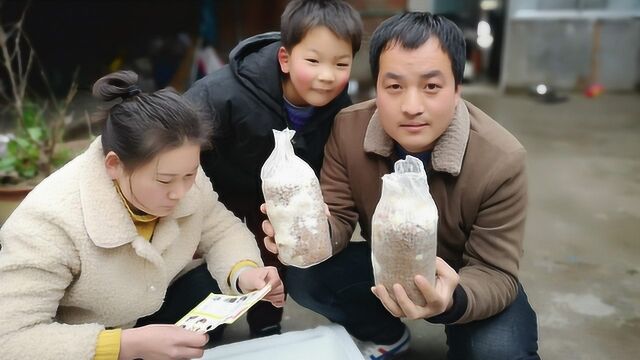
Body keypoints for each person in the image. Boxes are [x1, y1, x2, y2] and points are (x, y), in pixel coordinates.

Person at [262, 12, 540, 360]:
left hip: (467, 276)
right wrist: (308, 230)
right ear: (375, 87)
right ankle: (386, 336)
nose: (411, 107)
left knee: (499, 353)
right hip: (387, 261)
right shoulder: (348, 129)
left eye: (431, 86)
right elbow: (340, 217)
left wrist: (452, 301)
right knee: (306, 275)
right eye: (394, 86)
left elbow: (496, 270)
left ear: (457, 90)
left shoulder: (501, 159)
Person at [0, 70, 285, 360]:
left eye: (190, 173)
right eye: (164, 181)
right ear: (114, 165)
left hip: (150, 305)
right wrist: (124, 345)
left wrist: (245, 272)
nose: (180, 192)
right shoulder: (49, 221)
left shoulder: (184, 177)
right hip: (84, 339)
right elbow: (10, 338)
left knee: (209, 290)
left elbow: (221, 229)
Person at [184, 0, 362, 338]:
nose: (327, 75)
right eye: (313, 61)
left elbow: (336, 163)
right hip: (219, 193)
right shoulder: (220, 95)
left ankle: (267, 325)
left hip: (280, 198)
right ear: (285, 58)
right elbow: (182, 145)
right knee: (222, 254)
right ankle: (213, 324)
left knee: (274, 256)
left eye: (341, 64)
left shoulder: (341, 109)